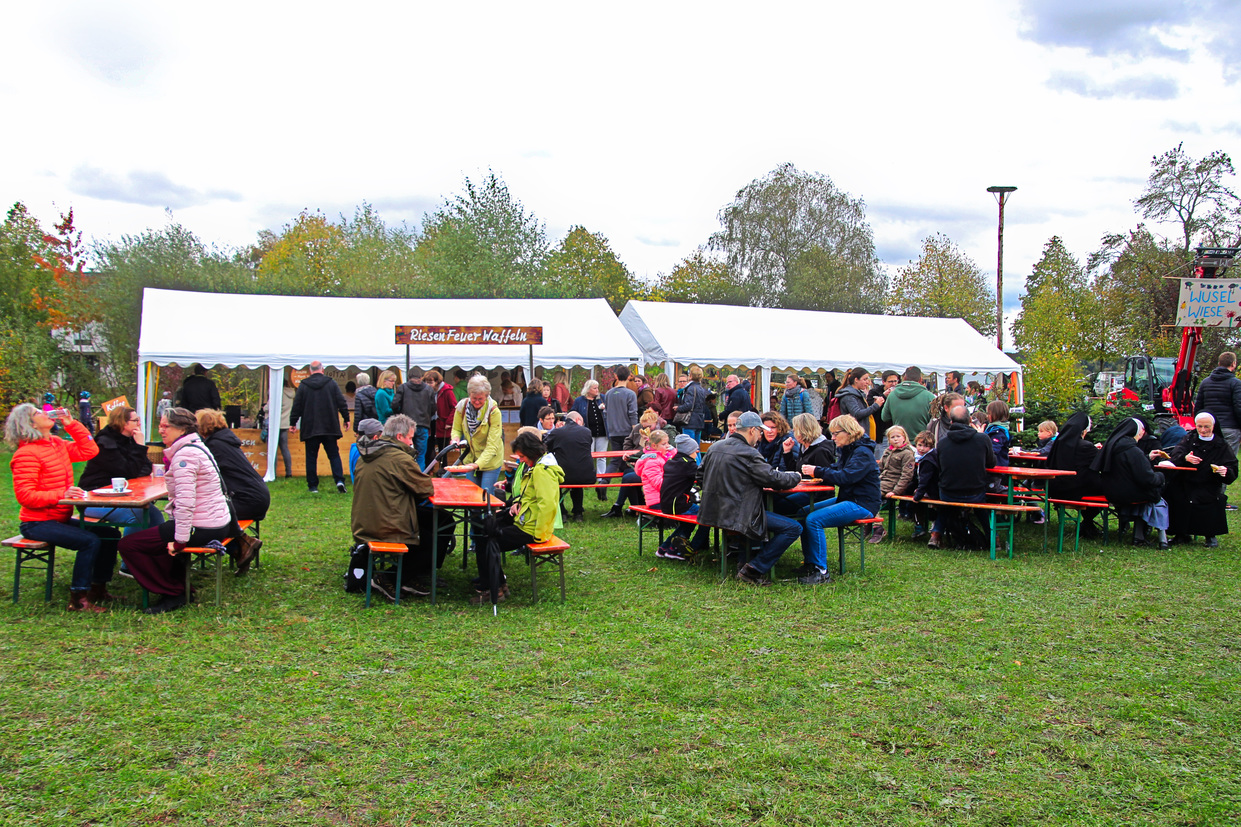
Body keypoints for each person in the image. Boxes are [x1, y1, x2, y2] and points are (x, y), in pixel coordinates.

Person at [118, 408, 233, 614]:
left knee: (129, 545)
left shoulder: (185, 455)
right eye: (160, 425)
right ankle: (178, 585)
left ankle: (173, 592)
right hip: (216, 522)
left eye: (166, 426)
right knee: (156, 537)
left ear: (182, 429)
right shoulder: (196, 446)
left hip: (203, 526)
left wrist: (180, 541)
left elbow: (186, 503)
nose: (161, 430)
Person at [7, 403, 121, 612]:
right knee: (89, 540)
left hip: (59, 518)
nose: (45, 413)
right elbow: (25, 496)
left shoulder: (56, 444)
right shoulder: (26, 454)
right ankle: (78, 598)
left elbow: (90, 450)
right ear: (30, 424)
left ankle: (97, 587)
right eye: (37, 412)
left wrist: (71, 424)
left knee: (109, 534)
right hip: (36, 523)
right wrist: (62, 495)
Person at [699, 411, 801, 586]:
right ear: (752, 430)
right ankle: (754, 569)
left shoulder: (715, 447)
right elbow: (774, 479)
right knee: (793, 527)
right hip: (738, 514)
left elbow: (700, 475)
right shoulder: (749, 453)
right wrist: (796, 476)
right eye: (760, 431)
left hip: (712, 511)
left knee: (758, 513)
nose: (760, 436)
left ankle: (744, 561)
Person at [471, 430, 563, 605]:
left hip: (531, 528)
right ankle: (497, 583)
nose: (520, 460)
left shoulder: (542, 471)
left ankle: (492, 589)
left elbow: (548, 504)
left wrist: (539, 534)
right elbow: (531, 495)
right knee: (485, 527)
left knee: (487, 540)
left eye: (521, 456)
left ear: (531, 452)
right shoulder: (536, 465)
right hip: (525, 519)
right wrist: (518, 502)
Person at [351, 414, 435, 601]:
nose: (412, 442)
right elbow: (425, 489)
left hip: (364, 521)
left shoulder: (366, 453)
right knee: (432, 541)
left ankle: (407, 576)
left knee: (435, 520)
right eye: (410, 438)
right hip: (386, 525)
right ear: (399, 437)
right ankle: (391, 578)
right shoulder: (399, 458)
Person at [798, 414, 882, 585]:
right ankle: (810, 563)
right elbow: (837, 469)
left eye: (836, 434)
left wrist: (818, 471)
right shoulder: (849, 450)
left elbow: (846, 477)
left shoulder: (862, 453)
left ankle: (821, 571)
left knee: (814, 519)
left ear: (849, 432)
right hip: (849, 499)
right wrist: (819, 471)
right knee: (803, 512)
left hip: (863, 503)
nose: (833, 438)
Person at [197, 408, 269, 572]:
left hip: (248, 500)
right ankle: (242, 546)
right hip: (257, 496)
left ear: (203, 428)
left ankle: (242, 544)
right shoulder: (226, 441)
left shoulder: (214, 446)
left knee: (206, 518)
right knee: (212, 515)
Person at [77, 405, 165, 535]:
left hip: (119, 496)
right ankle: (129, 547)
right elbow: (128, 472)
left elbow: (146, 468)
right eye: (135, 420)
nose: (139, 423)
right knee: (137, 516)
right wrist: (140, 447)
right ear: (123, 422)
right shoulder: (105, 443)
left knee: (155, 515)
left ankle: (155, 548)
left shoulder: (129, 439)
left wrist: (138, 452)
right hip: (93, 499)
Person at [1160, 412, 1237, 548]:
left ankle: (1210, 535)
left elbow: (1232, 466)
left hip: (1208, 483)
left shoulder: (1221, 445)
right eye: (1199, 426)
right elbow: (1175, 455)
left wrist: (1224, 470)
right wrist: (1185, 458)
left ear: (1213, 426)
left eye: (1207, 427)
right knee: (1175, 494)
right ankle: (1181, 534)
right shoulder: (1189, 439)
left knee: (1209, 499)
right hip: (1186, 481)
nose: (1203, 430)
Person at [1092, 418, 1169, 549]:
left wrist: (1147, 458)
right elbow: (1147, 479)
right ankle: (1161, 539)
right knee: (1156, 496)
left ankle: (1138, 536)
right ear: (1137, 432)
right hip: (1130, 494)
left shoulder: (1111, 446)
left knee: (1145, 494)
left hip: (1111, 492)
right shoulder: (1133, 450)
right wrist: (1161, 476)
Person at [935, 405, 997, 546]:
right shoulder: (982, 439)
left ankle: (936, 534)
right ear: (970, 420)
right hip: (975, 492)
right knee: (981, 506)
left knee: (946, 505)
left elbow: (940, 465)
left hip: (948, 492)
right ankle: (994, 537)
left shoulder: (943, 442)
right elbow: (991, 463)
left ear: (951, 422)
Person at [290, 361, 351, 494]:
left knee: (311, 457)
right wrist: (346, 418)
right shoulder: (331, 383)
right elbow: (341, 402)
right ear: (322, 369)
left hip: (310, 427)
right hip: (329, 426)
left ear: (310, 371)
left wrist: (293, 423)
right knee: (334, 455)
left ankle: (313, 486)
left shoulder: (303, 385)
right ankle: (339, 480)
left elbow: (297, 406)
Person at [658, 433, 710, 561]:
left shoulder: (672, 461)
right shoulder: (688, 465)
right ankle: (691, 548)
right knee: (707, 517)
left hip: (666, 503)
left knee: (688, 522)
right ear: (688, 451)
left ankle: (665, 548)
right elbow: (702, 477)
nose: (697, 452)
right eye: (695, 449)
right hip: (678, 504)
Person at [451, 374, 505, 497]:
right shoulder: (461, 407)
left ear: (487, 396)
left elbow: (492, 446)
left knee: (486, 496)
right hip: (470, 457)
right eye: (473, 398)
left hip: (491, 460)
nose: (476, 401)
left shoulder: (493, 412)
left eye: (480, 399)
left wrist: (477, 464)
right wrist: (455, 438)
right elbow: (456, 429)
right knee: (472, 496)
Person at [543, 410, 595, 522]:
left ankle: (562, 512)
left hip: (564, 475)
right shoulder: (586, 432)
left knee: (555, 478)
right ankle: (578, 513)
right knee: (576, 475)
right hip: (586, 475)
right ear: (578, 420)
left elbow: (546, 447)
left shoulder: (557, 433)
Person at [869, 425, 916, 543]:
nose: (895, 439)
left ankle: (877, 526)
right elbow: (879, 468)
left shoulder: (907, 453)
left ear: (904, 437)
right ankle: (869, 523)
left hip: (893, 483)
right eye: (892, 437)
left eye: (898, 436)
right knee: (861, 492)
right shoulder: (888, 451)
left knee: (870, 494)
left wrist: (895, 491)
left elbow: (906, 475)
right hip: (882, 480)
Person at [1195, 351, 1241, 455]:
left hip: (1210, 427)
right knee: (1228, 459)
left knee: (1209, 457)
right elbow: (1238, 407)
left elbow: (1198, 406)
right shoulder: (1236, 383)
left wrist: (1200, 426)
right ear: (1233, 364)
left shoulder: (1205, 382)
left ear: (1219, 363)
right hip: (1230, 427)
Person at [390, 368, 435, 469]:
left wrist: (400, 415)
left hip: (406, 425)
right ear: (421, 377)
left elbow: (394, 405)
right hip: (423, 424)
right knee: (420, 455)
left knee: (405, 454)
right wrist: (426, 416)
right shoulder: (429, 389)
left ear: (409, 377)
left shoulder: (402, 387)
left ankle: (406, 475)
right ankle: (420, 476)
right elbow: (433, 408)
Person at [571, 379, 610, 491]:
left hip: (602, 431)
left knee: (602, 456)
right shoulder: (579, 401)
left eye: (597, 388)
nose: (597, 390)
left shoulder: (602, 398)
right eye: (594, 388)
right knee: (589, 455)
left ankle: (601, 478)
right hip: (587, 433)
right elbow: (573, 413)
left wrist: (605, 408)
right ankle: (589, 476)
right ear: (588, 389)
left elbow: (611, 410)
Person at [880, 366, 936, 440]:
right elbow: (936, 420)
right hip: (922, 442)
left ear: (904, 378)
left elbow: (885, 417)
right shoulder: (929, 397)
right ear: (920, 379)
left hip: (900, 441)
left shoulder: (892, 395)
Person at [834, 368, 886, 436]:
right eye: (865, 379)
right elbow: (857, 414)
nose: (867, 382)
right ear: (856, 380)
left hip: (860, 433)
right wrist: (876, 405)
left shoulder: (857, 394)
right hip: (854, 435)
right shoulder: (849, 396)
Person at [634, 430, 676, 510]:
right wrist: (675, 484)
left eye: (668, 443)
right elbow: (659, 484)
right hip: (657, 501)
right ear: (654, 446)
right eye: (664, 444)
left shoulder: (662, 457)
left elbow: (676, 458)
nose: (667, 446)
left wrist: (672, 450)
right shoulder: (652, 461)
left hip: (665, 497)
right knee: (692, 510)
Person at [425, 370, 457, 465]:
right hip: (430, 423)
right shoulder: (427, 391)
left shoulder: (447, 392)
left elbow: (454, 408)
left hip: (443, 424)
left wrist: (449, 422)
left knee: (443, 450)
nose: (428, 385)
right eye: (427, 382)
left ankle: (443, 469)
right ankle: (429, 469)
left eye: (430, 382)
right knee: (429, 448)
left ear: (437, 382)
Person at [675, 366, 709, 443]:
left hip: (689, 421)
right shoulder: (701, 389)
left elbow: (688, 405)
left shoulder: (690, 388)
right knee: (696, 446)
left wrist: (678, 408)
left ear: (690, 376)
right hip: (699, 420)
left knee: (689, 445)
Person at [277, 374, 296, 478]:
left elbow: (272, 407)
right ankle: (289, 472)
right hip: (285, 424)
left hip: (277, 424)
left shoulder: (279, 393)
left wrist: (264, 408)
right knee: (285, 449)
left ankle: (273, 472)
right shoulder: (291, 394)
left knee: (273, 450)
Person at [984, 400, 1012, 467]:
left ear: (996, 414)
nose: (987, 416)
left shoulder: (998, 431)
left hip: (997, 465)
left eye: (989, 413)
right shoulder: (992, 428)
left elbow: (994, 449)